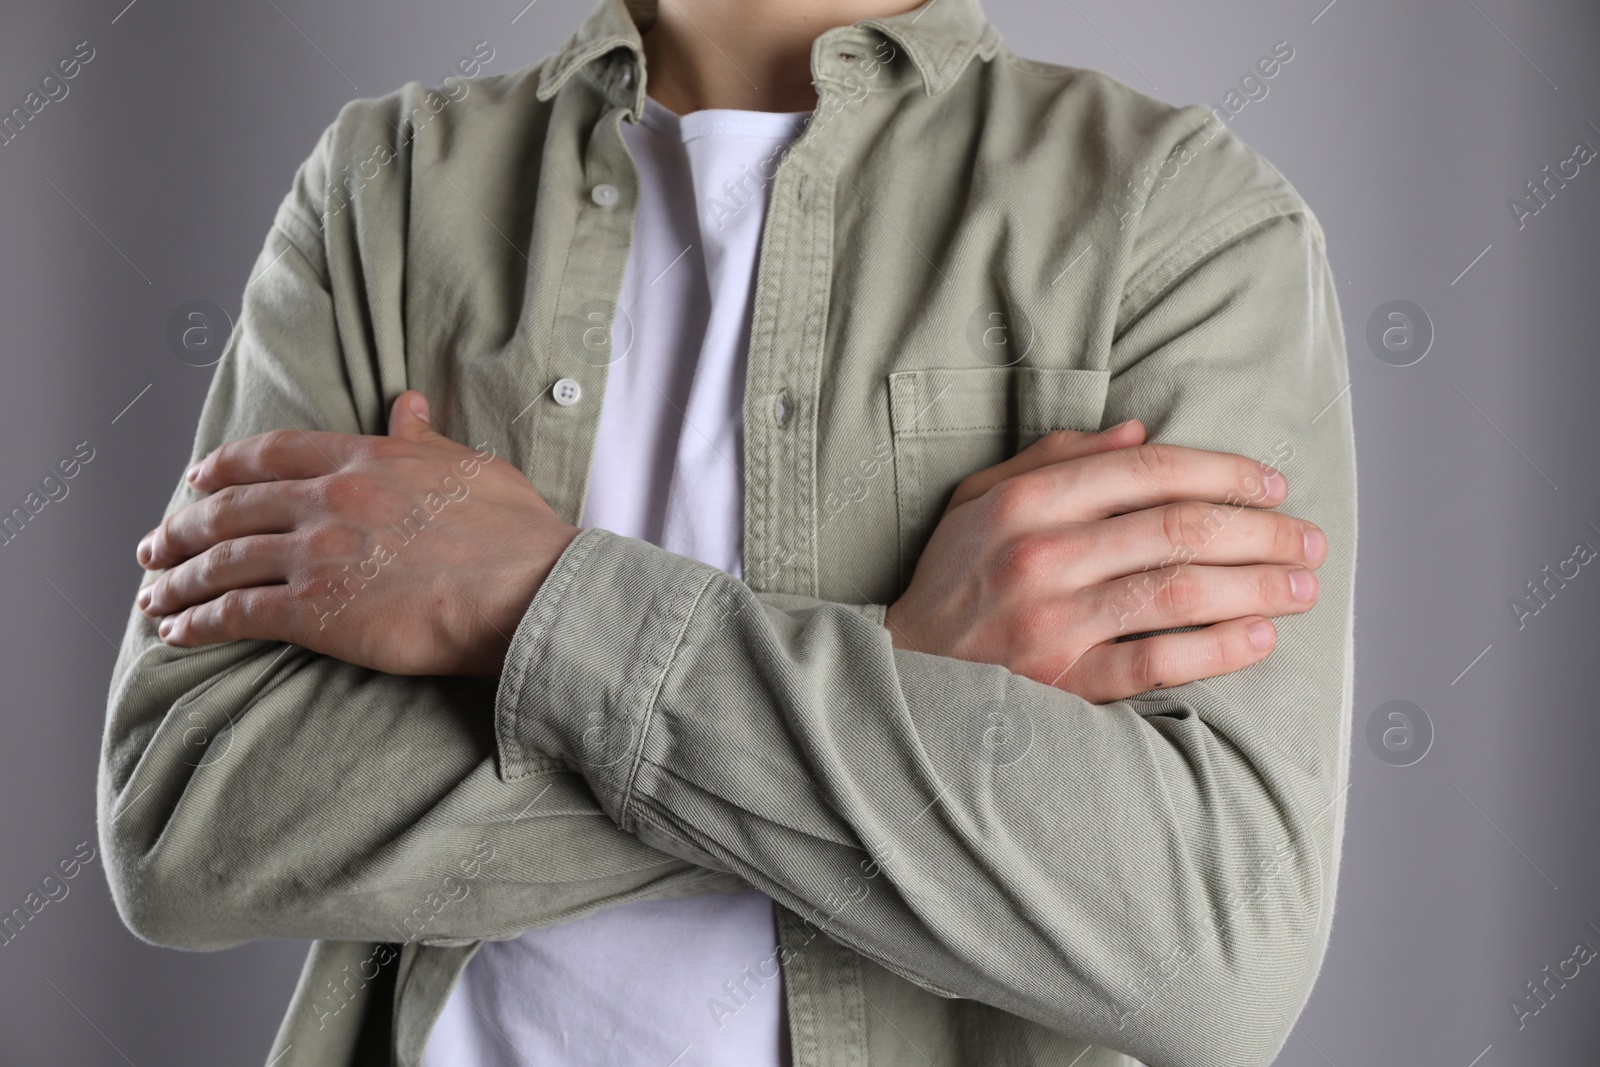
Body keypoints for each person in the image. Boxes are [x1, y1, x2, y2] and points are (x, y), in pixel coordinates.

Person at [98, 0, 1358, 1064]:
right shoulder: (390, 188)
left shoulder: (1172, 217)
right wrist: (898, 656)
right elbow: (187, 815)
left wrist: (533, 596)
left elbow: (1210, 943)